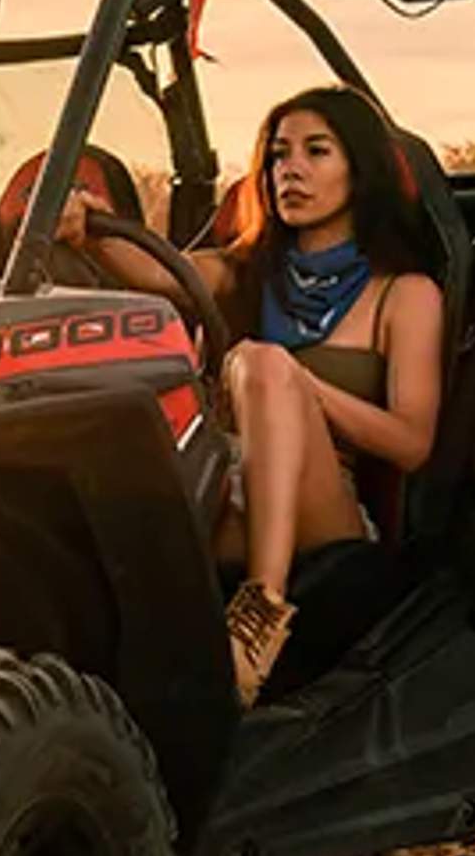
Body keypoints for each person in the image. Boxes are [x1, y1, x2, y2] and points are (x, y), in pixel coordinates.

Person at [76, 86, 444, 704]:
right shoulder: (246, 270)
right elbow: (154, 273)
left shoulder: (403, 294)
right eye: (277, 156)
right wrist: (87, 228)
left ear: (360, 168)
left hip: (330, 512)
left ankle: (260, 615)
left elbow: (411, 444)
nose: (290, 170)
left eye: (316, 152)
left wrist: (301, 386)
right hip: (233, 489)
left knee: (262, 363)